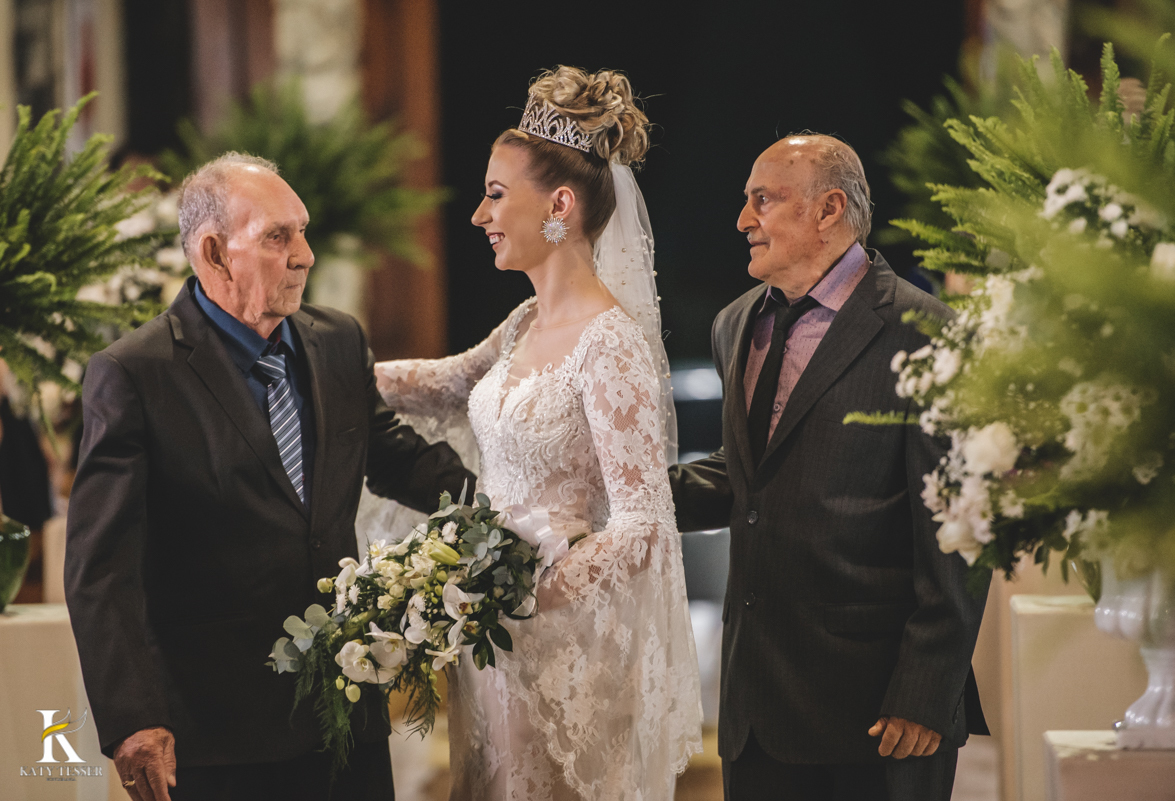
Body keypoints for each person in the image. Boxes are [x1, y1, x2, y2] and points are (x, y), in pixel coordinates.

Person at [65, 153, 476, 801]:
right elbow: (101, 566)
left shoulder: (339, 340)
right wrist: (131, 716)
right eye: (278, 236)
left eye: (303, 231)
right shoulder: (135, 374)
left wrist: (499, 510)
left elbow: (392, 453)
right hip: (218, 733)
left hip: (346, 716)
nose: (305, 254)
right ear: (215, 252)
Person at [363, 66, 703, 800]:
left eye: (494, 195)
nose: (480, 217)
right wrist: (324, 361)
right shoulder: (523, 324)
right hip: (489, 647)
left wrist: (514, 590)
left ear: (559, 204)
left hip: (561, 642)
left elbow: (643, 524)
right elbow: (448, 381)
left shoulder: (610, 342)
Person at [668, 134, 988, 801]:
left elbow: (958, 521)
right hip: (757, 704)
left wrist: (927, 688)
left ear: (828, 209)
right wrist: (623, 497)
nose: (742, 220)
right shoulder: (735, 325)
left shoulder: (925, 331)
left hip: (879, 707)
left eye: (763, 200)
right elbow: (744, 479)